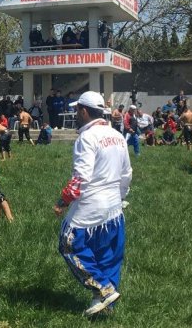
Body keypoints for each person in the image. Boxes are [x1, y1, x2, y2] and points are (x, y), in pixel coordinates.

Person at [53, 91, 132, 317]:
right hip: (114, 207)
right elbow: (127, 173)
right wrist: (120, 197)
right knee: (107, 255)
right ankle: (105, 305)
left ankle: (102, 290)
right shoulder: (117, 135)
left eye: (77, 110)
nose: (76, 114)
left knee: (68, 243)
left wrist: (62, 202)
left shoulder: (86, 137)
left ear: (84, 111)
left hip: (90, 205)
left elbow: (81, 179)